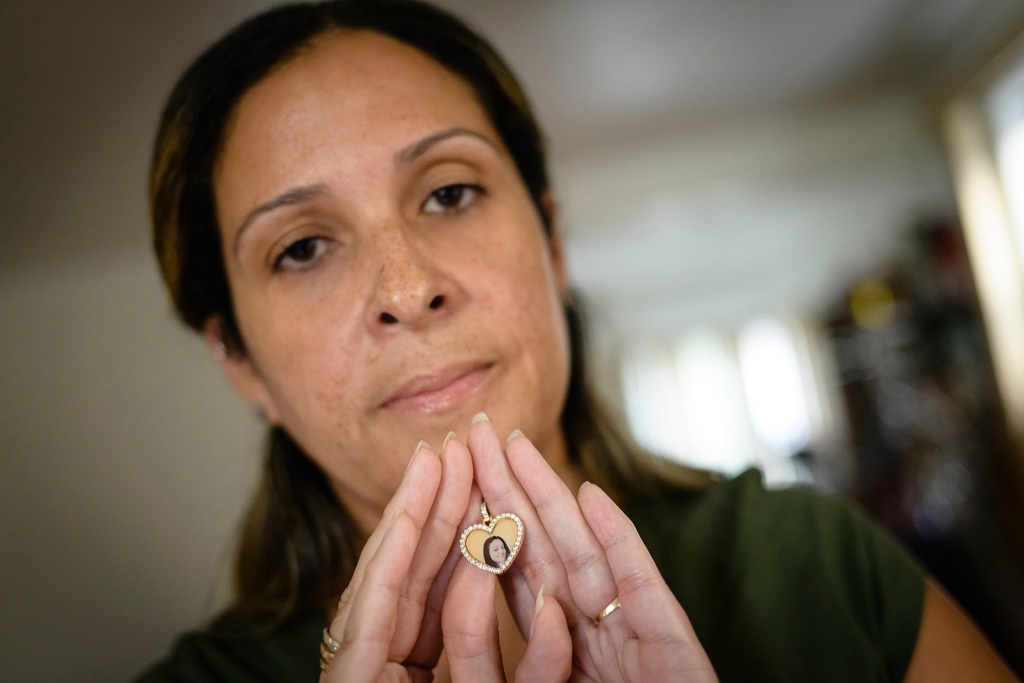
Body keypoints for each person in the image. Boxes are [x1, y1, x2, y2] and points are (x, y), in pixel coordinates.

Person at [134, 1, 1019, 681]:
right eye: (302, 247)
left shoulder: (818, 566)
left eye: (448, 193)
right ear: (239, 361)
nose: (407, 288)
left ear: (551, 244)